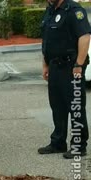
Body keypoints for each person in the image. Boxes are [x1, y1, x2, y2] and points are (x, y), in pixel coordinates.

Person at [39, 0, 90, 159]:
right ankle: (58, 142)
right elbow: (46, 40)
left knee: (75, 107)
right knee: (57, 106)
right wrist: (45, 65)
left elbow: (85, 36)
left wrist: (79, 65)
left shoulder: (74, 10)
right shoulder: (50, 10)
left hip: (71, 66)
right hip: (54, 66)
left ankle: (79, 145)